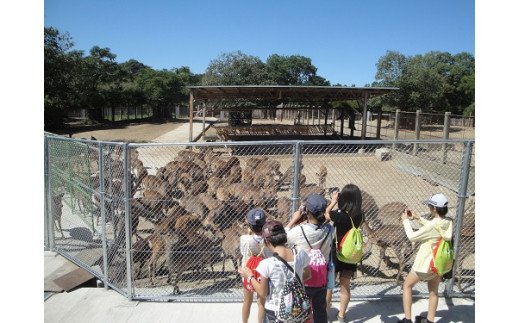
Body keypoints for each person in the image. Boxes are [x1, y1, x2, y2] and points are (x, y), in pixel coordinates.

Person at [238, 220, 311, 323]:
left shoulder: (267, 264)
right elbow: (308, 275)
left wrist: (249, 276)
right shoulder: (300, 254)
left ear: (266, 241)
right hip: (297, 307)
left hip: (275, 311)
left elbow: (263, 293)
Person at [397, 193, 453, 323]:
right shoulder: (448, 222)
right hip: (438, 264)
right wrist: (417, 218)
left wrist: (405, 220)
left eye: (429, 205)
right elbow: (434, 226)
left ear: (434, 209)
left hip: (424, 265)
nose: (428, 207)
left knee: (407, 286)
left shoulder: (432, 225)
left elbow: (412, 236)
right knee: (433, 292)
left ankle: (407, 320)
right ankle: (429, 321)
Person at [285, 194, 333, 323]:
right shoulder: (329, 230)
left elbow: (283, 238)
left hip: (303, 277)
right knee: (320, 310)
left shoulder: (299, 231)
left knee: (300, 311)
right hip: (321, 278)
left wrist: (293, 220)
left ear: (307, 211)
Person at [324, 184, 367, 323]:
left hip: (336, 253)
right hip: (351, 255)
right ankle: (342, 316)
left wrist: (333, 201)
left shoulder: (340, 215)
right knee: (345, 285)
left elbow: (326, 214)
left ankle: (325, 313)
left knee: (330, 284)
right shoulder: (361, 216)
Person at [239, 208, 271, 323]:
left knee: (247, 301)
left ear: (249, 225)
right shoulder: (268, 239)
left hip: (248, 271)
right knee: (261, 302)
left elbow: (244, 253)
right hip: (263, 273)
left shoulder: (244, 239)